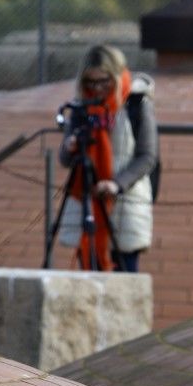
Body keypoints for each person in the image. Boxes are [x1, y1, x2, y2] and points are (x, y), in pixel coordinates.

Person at [57, 45, 157, 272]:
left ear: (117, 76)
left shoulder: (136, 104)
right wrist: (71, 146)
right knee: (90, 280)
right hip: (88, 199)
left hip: (126, 203)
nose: (98, 88)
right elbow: (64, 159)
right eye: (91, 83)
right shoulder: (81, 104)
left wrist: (116, 184)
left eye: (104, 81)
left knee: (126, 279)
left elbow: (147, 156)